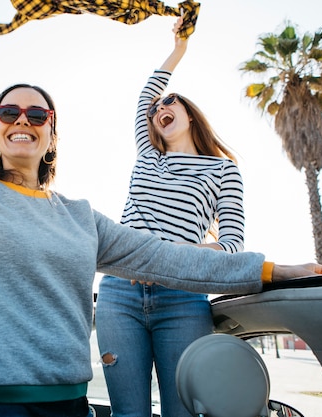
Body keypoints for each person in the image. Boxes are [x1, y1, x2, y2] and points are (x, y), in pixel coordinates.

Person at [0, 3, 322, 416]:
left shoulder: (80, 218)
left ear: (50, 138)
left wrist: (275, 270)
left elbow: (173, 260)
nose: (21, 119)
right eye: (7, 111)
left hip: (67, 407)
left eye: (37, 113)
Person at [94, 18, 242, 417]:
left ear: (189, 115)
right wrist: (178, 50)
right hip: (118, 294)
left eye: (170, 102)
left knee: (183, 412)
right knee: (129, 414)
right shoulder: (148, 154)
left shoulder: (223, 170)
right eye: (158, 107)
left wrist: (176, 253)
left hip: (183, 295)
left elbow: (232, 245)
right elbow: (146, 94)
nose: (161, 108)